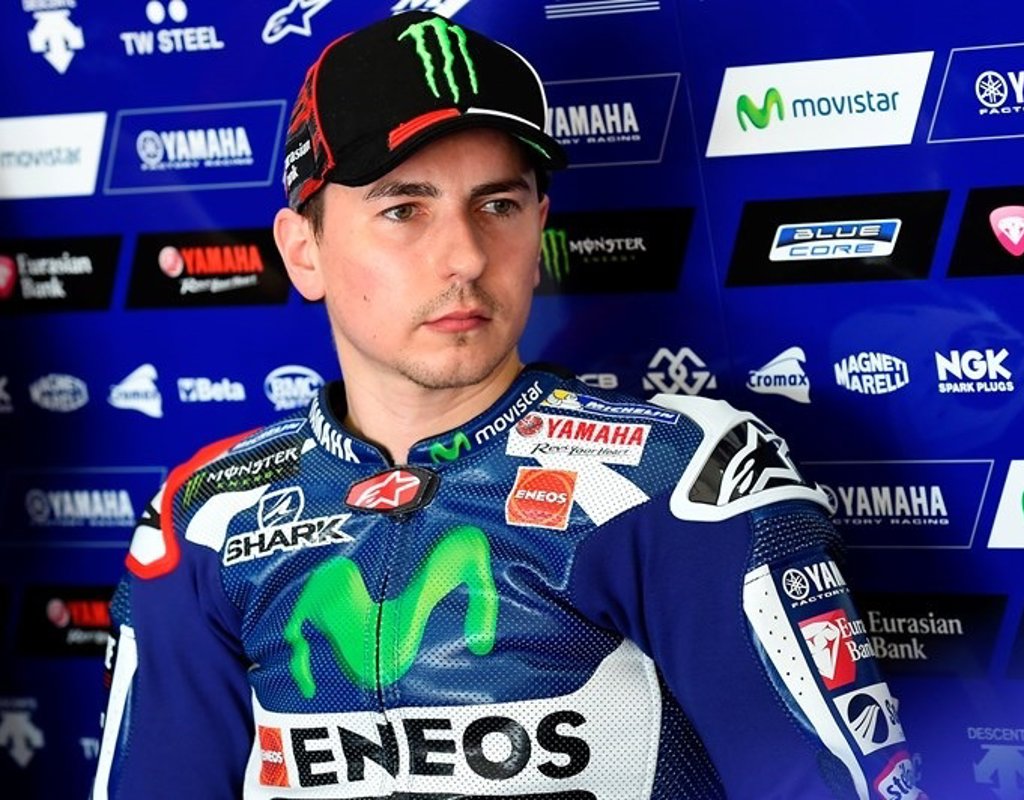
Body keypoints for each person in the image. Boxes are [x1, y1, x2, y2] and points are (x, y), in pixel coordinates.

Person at [92, 11, 926, 800]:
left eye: (498, 205)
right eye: (404, 209)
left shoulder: (680, 481)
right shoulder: (207, 515)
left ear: (539, 233)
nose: (464, 255)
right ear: (302, 250)